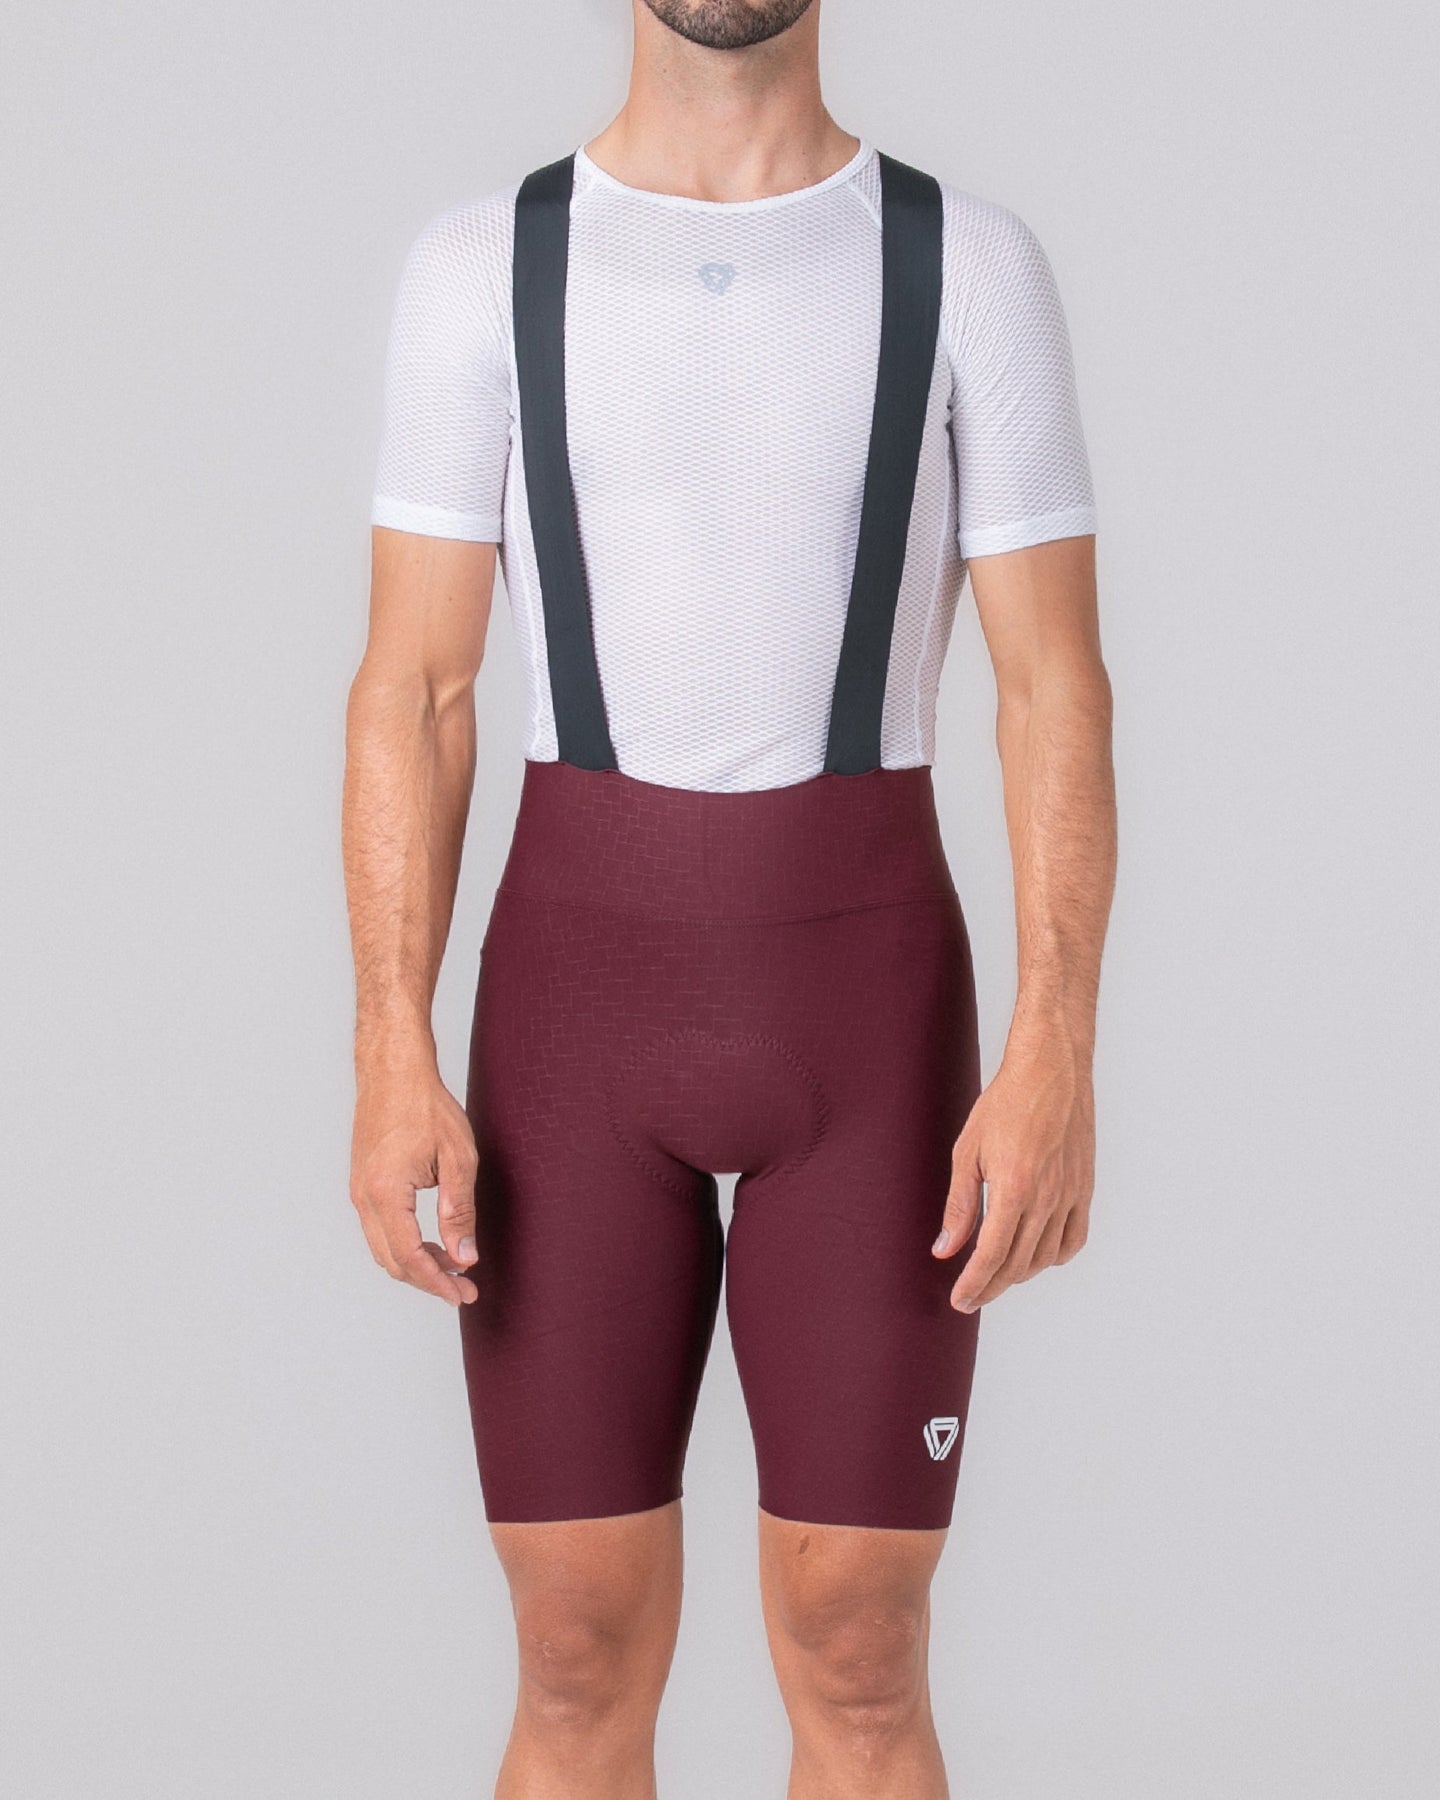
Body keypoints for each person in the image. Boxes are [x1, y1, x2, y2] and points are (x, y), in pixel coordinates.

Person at [341, 1, 1116, 1793]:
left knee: (860, 1648)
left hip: (868, 1016)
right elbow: (417, 690)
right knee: (573, 1648)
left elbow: (1053, 688)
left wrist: (1058, 1046)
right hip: (571, 1020)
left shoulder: (967, 265)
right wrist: (389, 1045)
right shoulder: (484, 267)